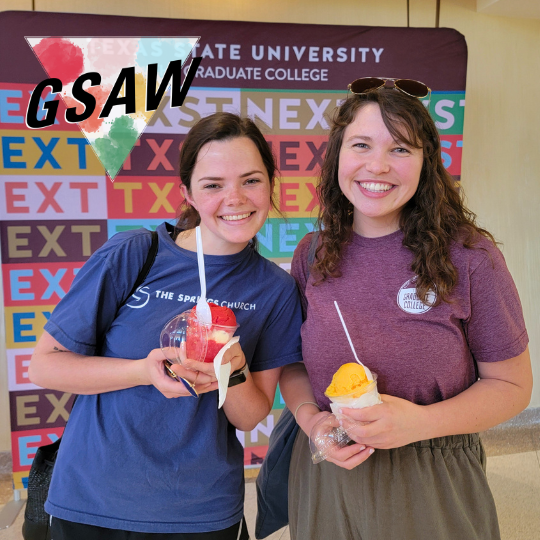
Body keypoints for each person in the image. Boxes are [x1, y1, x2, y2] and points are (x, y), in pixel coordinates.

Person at [29, 112, 303, 539]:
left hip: (200, 513)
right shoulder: (136, 253)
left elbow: (250, 417)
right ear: (188, 194)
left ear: (271, 185)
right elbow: (45, 366)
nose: (235, 198)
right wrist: (143, 370)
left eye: (251, 180)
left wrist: (231, 369)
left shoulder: (275, 288)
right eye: (213, 185)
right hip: (92, 503)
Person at [279, 80, 532, 540]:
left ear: (426, 163)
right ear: (338, 155)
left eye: (400, 149)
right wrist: (310, 420)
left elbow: (512, 385)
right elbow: (293, 362)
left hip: (430, 474)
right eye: (361, 145)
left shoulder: (470, 257)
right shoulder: (311, 253)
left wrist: (420, 422)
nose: (377, 165)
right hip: (325, 470)